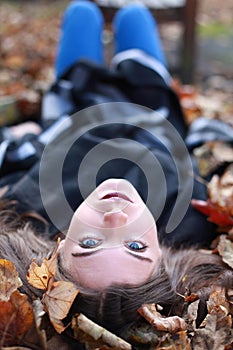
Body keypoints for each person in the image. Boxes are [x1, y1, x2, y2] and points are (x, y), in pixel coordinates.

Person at [0, 1, 232, 344]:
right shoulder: (191, 216)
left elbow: (15, 154)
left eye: (90, 243)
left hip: (78, 101)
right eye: (136, 245)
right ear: (163, 255)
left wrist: (22, 137)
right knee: (135, 14)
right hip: (150, 103)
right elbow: (210, 148)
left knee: (82, 12)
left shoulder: (30, 203)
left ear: (58, 248)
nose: (115, 219)